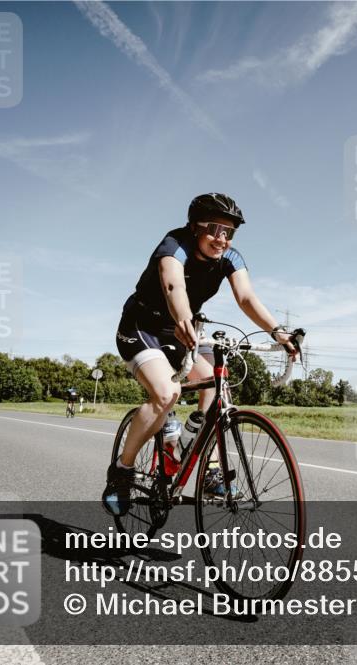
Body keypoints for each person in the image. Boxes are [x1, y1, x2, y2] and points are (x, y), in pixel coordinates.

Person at [103, 193, 297, 516]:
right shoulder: (173, 246)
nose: (222, 238)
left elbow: (246, 297)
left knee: (215, 383)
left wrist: (277, 332)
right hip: (143, 327)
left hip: (186, 330)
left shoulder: (230, 258)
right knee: (167, 392)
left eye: (229, 232)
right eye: (214, 228)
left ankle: (197, 455)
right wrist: (182, 318)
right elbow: (173, 287)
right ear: (194, 227)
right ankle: (122, 472)